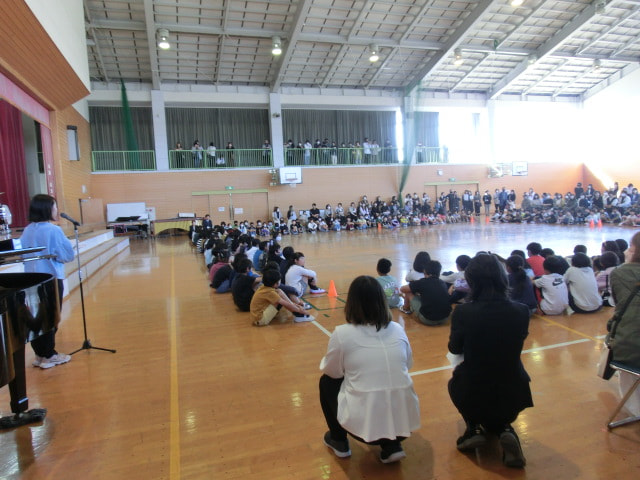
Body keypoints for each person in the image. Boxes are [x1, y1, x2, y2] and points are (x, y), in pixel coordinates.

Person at [319, 275, 420, 463]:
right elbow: (408, 365)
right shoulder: (397, 329)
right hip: (406, 424)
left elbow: (332, 372)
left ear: (351, 304)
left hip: (364, 428)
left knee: (327, 382)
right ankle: (392, 445)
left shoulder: (342, 333)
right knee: (390, 379)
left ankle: (338, 440)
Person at [448, 253, 532, 468]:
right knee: (498, 389)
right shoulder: (521, 311)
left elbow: (454, 348)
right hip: (515, 388)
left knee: (456, 381)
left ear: (472, 281)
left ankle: (473, 428)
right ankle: (504, 428)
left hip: (474, 387)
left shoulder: (463, 312)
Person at [20, 194, 75, 369]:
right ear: (47, 209)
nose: (56, 210)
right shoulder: (53, 230)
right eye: (54, 206)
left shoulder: (27, 230)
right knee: (51, 317)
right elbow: (66, 255)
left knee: (36, 318)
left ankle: (40, 355)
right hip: (50, 278)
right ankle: (49, 355)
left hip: (31, 279)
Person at [608, 231, 640, 416]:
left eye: (630, 247)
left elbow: (619, 305)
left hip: (631, 348)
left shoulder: (620, 273)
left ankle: (636, 410)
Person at [399, 260, 452, 325]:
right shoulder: (442, 283)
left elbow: (402, 289)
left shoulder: (423, 282)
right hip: (445, 318)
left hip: (428, 319)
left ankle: (406, 309)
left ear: (425, 271)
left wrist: (416, 287)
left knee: (409, 293)